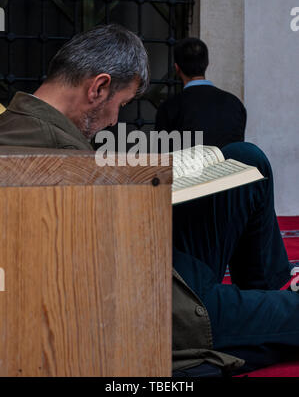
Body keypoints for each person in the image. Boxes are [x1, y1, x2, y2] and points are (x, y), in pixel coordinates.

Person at [0, 24, 298, 376]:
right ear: (98, 87)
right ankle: (265, 307)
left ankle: (264, 296)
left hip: (160, 270)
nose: (114, 121)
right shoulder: (56, 156)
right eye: (121, 105)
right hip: (164, 302)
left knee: (246, 159)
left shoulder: (22, 124)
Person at [155, 37, 247, 149]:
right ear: (207, 64)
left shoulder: (169, 108)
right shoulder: (234, 104)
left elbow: (162, 158)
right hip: (226, 166)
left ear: (177, 68)